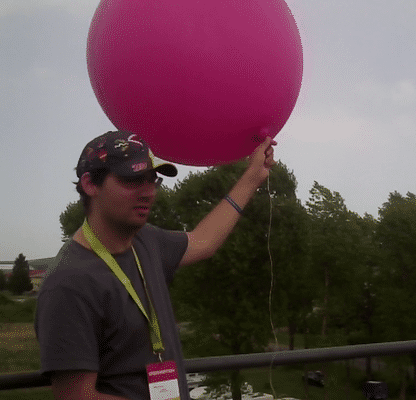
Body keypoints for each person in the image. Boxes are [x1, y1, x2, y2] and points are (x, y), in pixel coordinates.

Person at [35, 130, 276, 400]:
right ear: (90, 184)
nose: (148, 192)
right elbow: (74, 397)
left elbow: (203, 241)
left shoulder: (145, 240)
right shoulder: (69, 283)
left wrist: (253, 176)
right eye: (132, 180)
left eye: (152, 180)